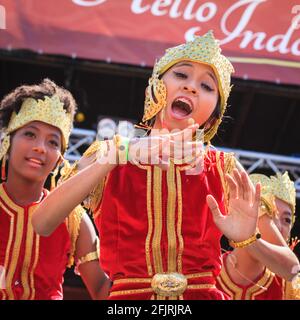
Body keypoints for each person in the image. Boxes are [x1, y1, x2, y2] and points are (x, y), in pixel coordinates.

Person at [32, 31, 299, 300]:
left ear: (212, 117)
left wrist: (248, 240)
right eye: (181, 75)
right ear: (155, 87)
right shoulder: (109, 153)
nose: (191, 87)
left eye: (207, 86)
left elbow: (291, 268)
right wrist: (118, 155)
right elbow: (42, 222)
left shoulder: (224, 168)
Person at [0, 79, 110, 300]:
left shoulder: (73, 218)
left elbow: (102, 291)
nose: (40, 147)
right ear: (7, 143)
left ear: (60, 158)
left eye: (53, 142)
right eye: (30, 134)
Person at [216, 172, 300, 300]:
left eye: (287, 220)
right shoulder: (205, 271)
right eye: (268, 215)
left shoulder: (291, 290)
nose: (277, 226)